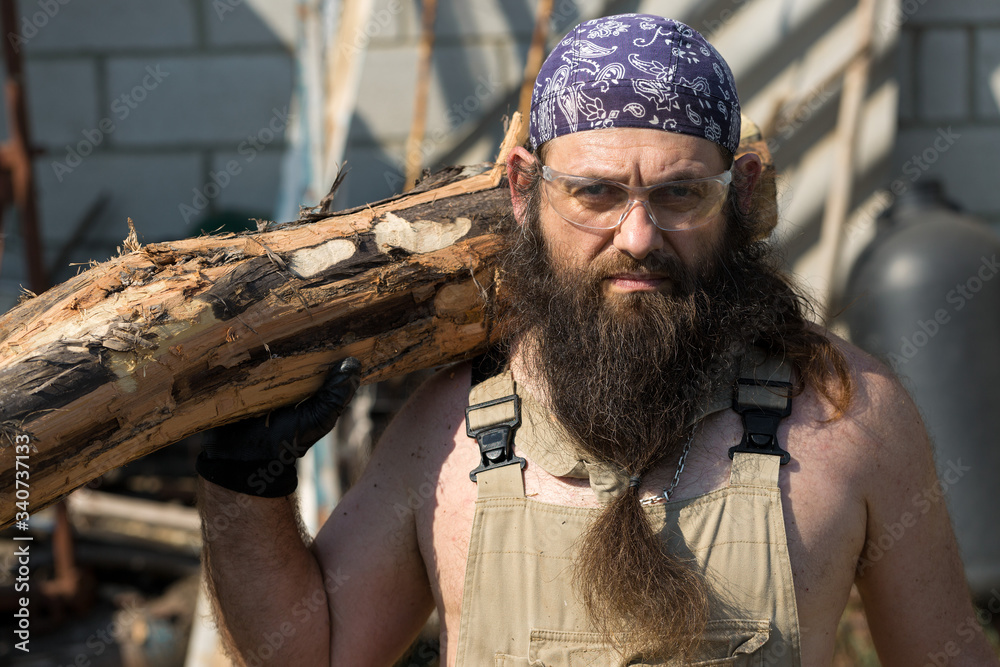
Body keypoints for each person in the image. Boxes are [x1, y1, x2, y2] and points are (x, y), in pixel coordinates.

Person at [195, 14, 999, 666]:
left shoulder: (845, 423)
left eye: (682, 193)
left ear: (741, 192)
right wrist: (243, 484)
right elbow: (311, 655)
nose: (639, 236)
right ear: (523, 191)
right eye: (595, 193)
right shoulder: (448, 435)